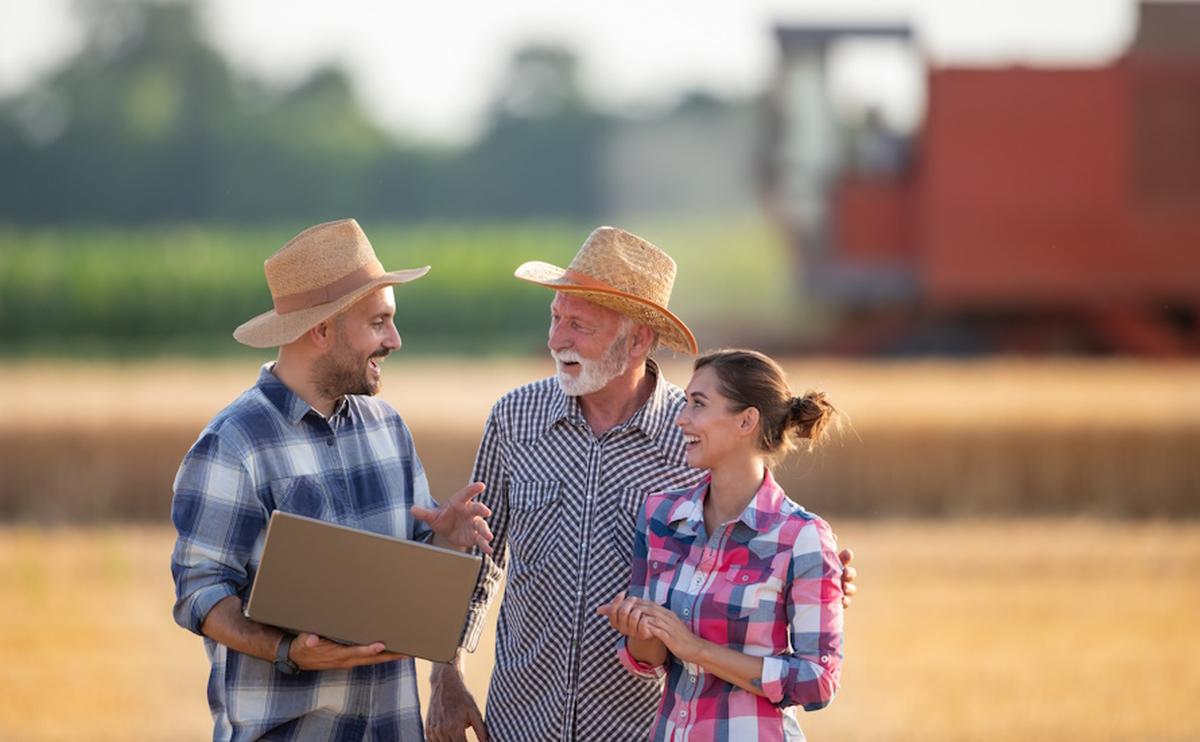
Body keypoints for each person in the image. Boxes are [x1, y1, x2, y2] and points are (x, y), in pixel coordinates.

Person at [426, 228, 856, 742]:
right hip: (522, 720)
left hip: (642, 727)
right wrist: (445, 672)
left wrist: (817, 577)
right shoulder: (514, 418)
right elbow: (478, 557)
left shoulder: (700, 434)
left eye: (579, 325)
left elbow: (758, 546)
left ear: (638, 340)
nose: (557, 339)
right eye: (555, 317)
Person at [170, 218, 493, 741]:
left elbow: (402, 579)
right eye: (379, 323)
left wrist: (444, 540)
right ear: (321, 331)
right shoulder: (233, 445)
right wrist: (287, 651)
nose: (395, 340)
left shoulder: (388, 429)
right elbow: (199, 593)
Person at [598, 349, 845, 741]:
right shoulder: (661, 517)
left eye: (698, 404)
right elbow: (651, 660)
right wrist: (640, 630)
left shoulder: (801, 537)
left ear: (746, 420)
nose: (682, 418)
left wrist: (699, 651)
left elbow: (818, 682)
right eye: (685, 403)